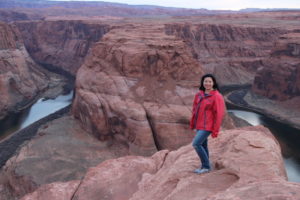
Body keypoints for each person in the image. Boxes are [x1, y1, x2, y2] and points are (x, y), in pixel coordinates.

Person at [190, 74, 225, 174]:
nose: (207, 83)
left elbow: (218, 114)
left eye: (210, 81)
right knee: (203, 145)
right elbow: (194, 110)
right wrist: (193, 123)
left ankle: (206, 166)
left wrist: (215, 130)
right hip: (199, 125)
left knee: (196, 144)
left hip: (208, 126)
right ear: (202, 82)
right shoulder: (199, 95)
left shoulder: (216, 96)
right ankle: (205, 165)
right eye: (205, 81)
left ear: (213, 83)